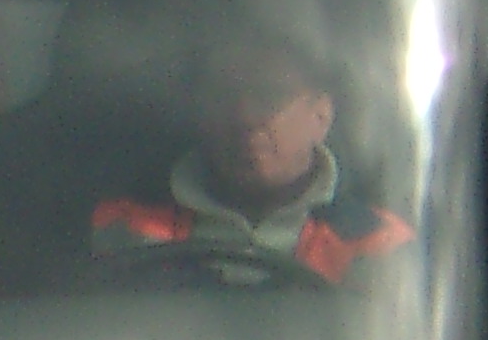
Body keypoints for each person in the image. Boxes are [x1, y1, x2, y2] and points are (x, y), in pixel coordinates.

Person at [90, 39, 412, 287]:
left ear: (321, 115)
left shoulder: (377, 244)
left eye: (269, 96)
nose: (244, 118)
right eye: (224, 98)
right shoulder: (124, 229)